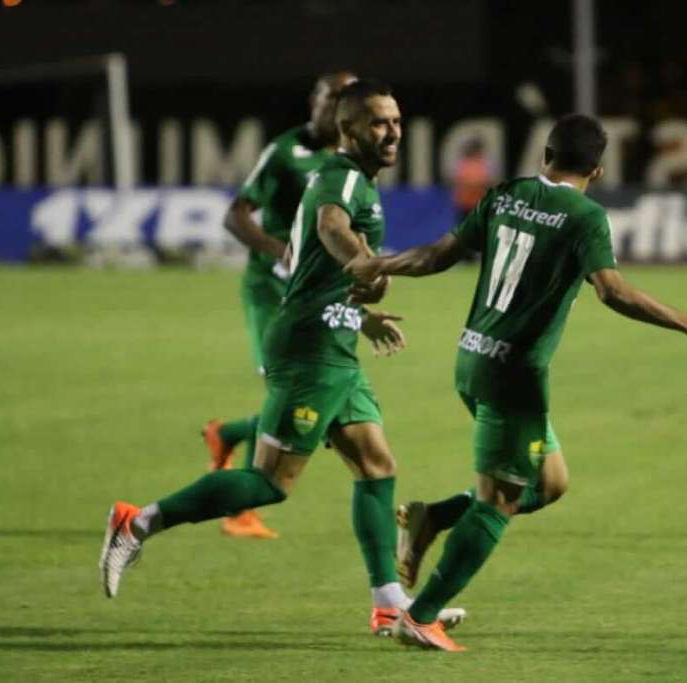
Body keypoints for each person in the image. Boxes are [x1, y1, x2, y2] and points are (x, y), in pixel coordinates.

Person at [345, 113, 687, 651]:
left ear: (544, 155)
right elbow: (612, 292)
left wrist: (382, 264)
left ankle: (433, 518)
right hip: (516, 376)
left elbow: (439, 255)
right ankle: (421, 616)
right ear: (597, 171)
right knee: (501, 499)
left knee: (548, 482)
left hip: (470, 359)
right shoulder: (586, 217)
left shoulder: (504, 195)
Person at [99, 78, 465, 637]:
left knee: (376, 465)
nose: (392, 132)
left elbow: (309, 263)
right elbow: (331, 230)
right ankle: (136, 522)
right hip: (311, 351)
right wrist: (367, 264)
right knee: (270, 484)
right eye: (378, 122)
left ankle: (390, 603)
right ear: (348, 129)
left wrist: (359, 315)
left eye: (396, 121)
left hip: (334, 341)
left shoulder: (350, 179)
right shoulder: (341, 181)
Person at [203, 70, 358, 540]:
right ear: (314, 101)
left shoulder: (350, 160)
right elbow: (236, 215)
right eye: (330, 99)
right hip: (271, 291)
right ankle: (241, 511)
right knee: (284, 387)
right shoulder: (286, 151)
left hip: (316, 296)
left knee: (314, 394)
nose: (335, 109)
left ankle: (229, 434)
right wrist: (278, 252)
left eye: (345, 102)